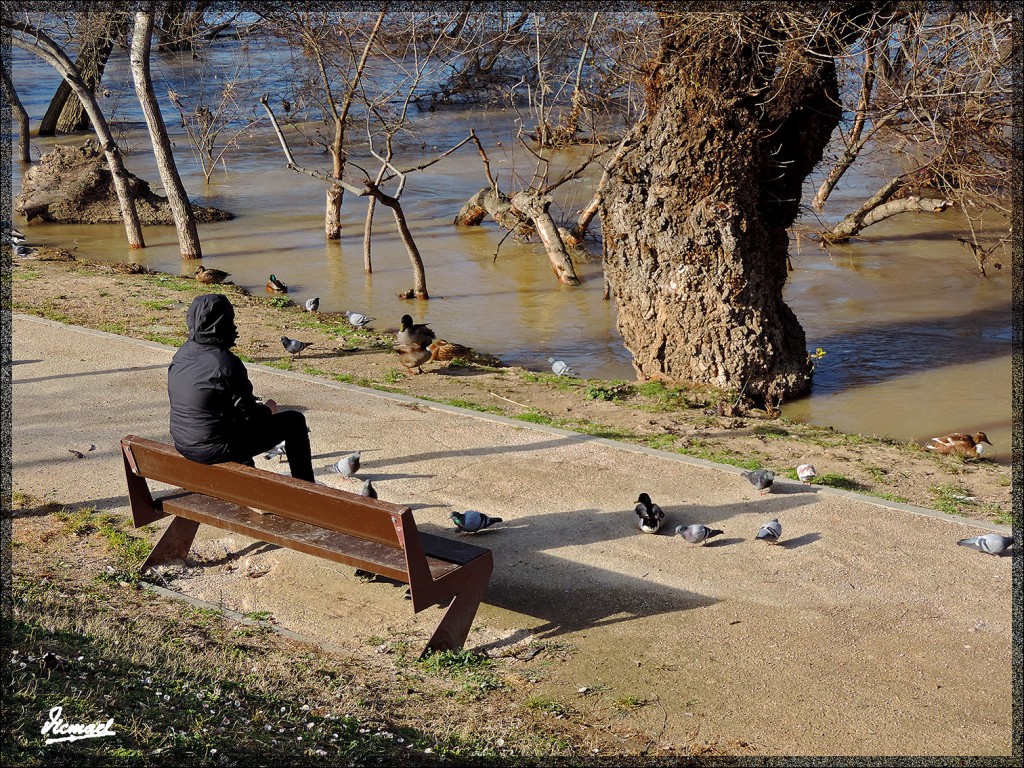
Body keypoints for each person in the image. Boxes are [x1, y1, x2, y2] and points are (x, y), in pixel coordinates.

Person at [168, 293, 315, 482]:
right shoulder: (226, 363)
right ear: (224, 323)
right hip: (212, 448)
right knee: (294, 421)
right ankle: (307, 489)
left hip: (183, 441)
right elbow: (250, 417)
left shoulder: (182, 354)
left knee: (229, 427)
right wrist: (268, 410)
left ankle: (249, 486)